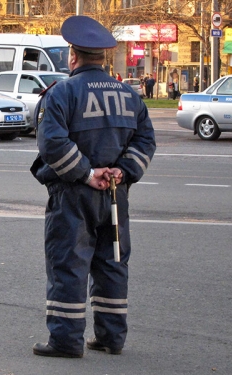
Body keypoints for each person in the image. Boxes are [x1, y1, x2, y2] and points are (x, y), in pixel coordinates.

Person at [30, 15, 156, 358]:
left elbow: (52, 144)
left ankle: (66, 341)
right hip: (117, 194)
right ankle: (111, 338)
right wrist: (122, 172)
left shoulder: (62, 93)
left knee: (69, 263)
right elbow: (146, 140)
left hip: (73, 195)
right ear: (102, 57)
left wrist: (88, 174)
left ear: (73, 56)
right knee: (113, 262)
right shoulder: (129, 95)